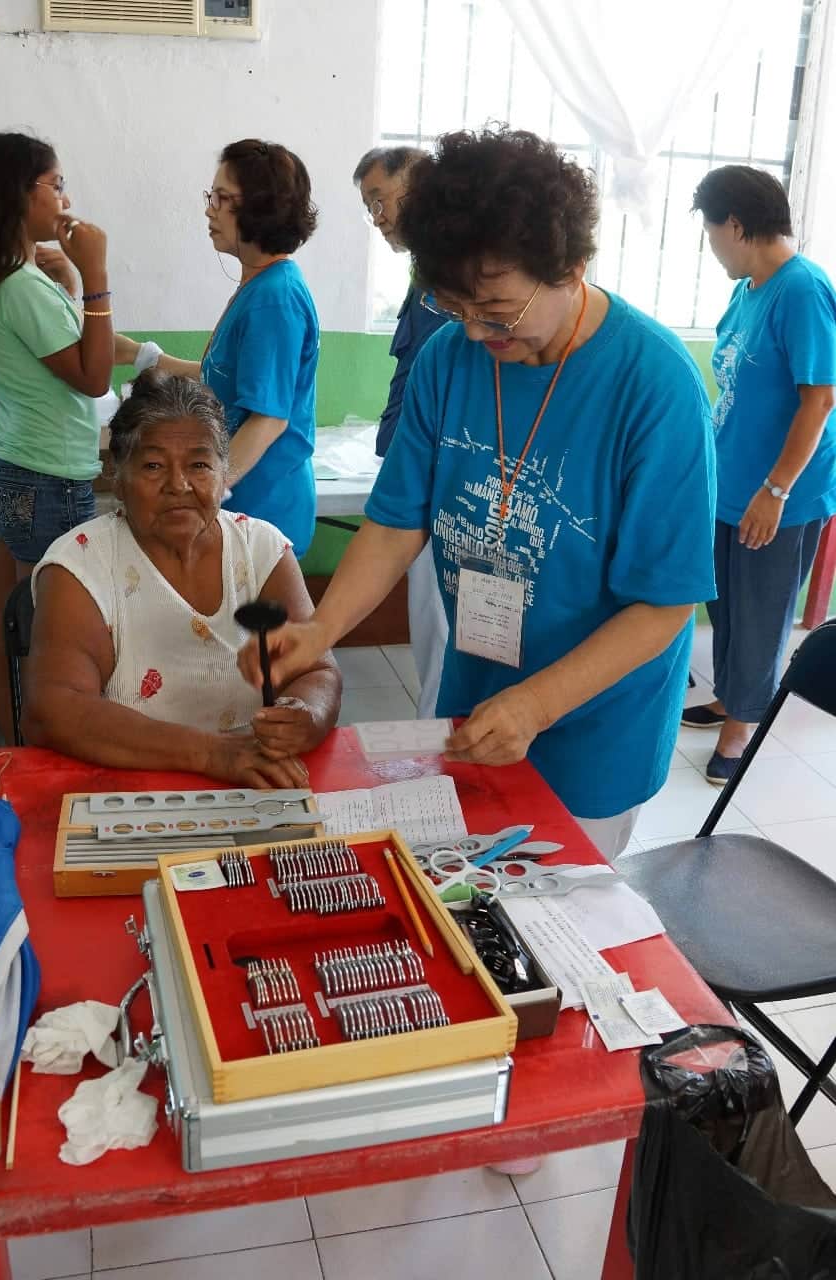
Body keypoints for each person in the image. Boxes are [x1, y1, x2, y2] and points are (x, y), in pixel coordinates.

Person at [239, 126, 716, 861]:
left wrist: (538, 702)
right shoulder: (448, 357)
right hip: (476, 692)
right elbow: (397, 521)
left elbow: (664, 604)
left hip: (592, 725)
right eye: (453, 305)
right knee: (465, 899)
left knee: (557, 917)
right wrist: (321, 629)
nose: (477, 330)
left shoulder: (652, 386)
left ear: (570, 267)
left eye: (498, 309)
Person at [23, 371, 341, 786]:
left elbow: (318, 671)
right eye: (153, 465)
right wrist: (213, 754)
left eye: (200, 464)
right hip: (128, 791)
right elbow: (54, 708)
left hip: (252, 780)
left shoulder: (261, 550)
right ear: (117, 478)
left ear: (224, 473)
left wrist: (307, 716)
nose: (179, 485)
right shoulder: (79, 566)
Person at [0, 131, 116, 744]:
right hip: (46, 477)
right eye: (58, 185)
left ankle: (17, 743)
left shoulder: (3, 273)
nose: (66, 199)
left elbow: (64, 353)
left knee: (5, 619)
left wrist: (70, 287)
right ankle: (47, 751)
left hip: (7, 465)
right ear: (23, 194)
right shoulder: (20, 284)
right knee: (52, 634)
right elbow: (94, 377)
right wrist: (96, 277)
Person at [684, 166, 836, 784]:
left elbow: (820, 399)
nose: (711, 244)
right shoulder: (749, 286)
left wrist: (776, 491)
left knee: (763, 610)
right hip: (731, 482)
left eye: (712, 231)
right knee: (724, 602)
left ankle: (741, 728)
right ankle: (732, 694)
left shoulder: (802, 291)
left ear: (738, 225)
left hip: (780, 494)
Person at [117, 139, 320, 557]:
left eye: (222, 198)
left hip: (263, 508)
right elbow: (223, 377)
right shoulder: (258, 286)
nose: (210, 208)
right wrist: (142, 356)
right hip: (244, 502)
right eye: (212, 196)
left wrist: (204, 490)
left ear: (259, 208)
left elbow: (268, 420)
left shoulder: (274, 299)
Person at [354, 145, 449, 716]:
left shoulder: (454, 280)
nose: (377, 216)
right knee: (428, 624)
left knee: (443, 628)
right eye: (369, 205)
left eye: (380, 199)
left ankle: (445, 747)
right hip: (416, 477)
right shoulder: (425, 277)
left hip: (442, 484)